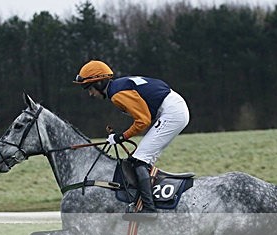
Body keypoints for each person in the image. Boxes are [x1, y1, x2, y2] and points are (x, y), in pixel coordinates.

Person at [73, 60, 190, 220]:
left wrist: (122, 136)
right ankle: (143, 200)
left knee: (140, 160)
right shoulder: (118, 87)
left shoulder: (117, 94)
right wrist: (121, 133)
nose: (90, 94)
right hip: (171, 108)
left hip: (172, 113)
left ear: (100, 83)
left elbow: (143, 120)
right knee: (137, 159)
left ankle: (149, 210)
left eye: (90, 88)